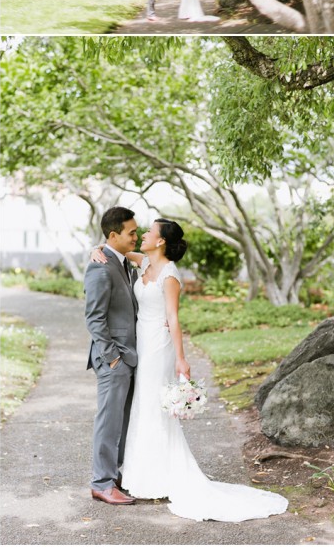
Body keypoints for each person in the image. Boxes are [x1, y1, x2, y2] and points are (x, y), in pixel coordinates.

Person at [91, 219, 288, 522]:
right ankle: (136, 474)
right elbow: (113, 251)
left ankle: (156, 477)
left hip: (158, 346)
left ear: (160, 242)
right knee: (140, 407)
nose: (142, 234)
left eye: (148, 232)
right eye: (138, 232)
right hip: (137, 345)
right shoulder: (142, 262)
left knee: (153, 408)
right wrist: (96, 249)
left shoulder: (170, 275)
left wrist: (181, 358)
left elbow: (173, 317)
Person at [84, 206, 140, 505]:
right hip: (114, 359)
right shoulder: (100, 266)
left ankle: (114, 476)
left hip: (131, 357)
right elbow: (94, 318)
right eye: (131, 232)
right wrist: (111, 357)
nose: (137, 236)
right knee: (108, 421)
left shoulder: (123, 263)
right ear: (114, 234)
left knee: (123, 420)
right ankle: (101, 483)